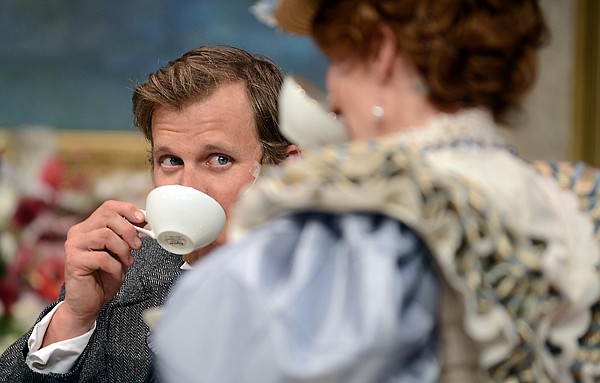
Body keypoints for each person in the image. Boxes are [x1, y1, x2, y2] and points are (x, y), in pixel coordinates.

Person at [154, 1, 600, 382]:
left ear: (382, 54)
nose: (332, 98)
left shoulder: (381, 211)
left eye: (340, 63)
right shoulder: (572, 199)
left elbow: (205, 352)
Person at [0, 45, 299, 382]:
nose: (189, 187)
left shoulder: (335, 283)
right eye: (171, 161)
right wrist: (73, 318)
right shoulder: (120, 275)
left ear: (285, 168)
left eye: (218, 159)